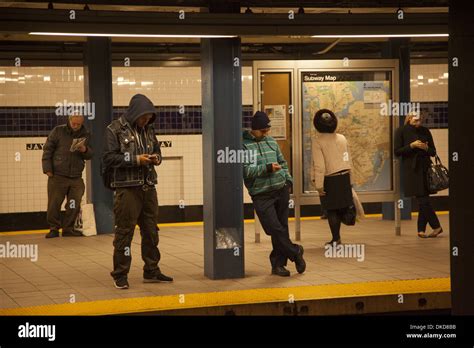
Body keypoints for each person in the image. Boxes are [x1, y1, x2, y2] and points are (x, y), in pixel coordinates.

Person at [103, 94, 173, 289]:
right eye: (144, 117)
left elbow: (158, 151)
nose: (147, 120)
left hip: (149, 187)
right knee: (125, 233)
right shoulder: (114, 130)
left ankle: (152, 270)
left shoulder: (149, 129)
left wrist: (156, 158)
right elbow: (109, 158)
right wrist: (136, 160)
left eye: (150, 117)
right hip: (127, 190)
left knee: (151, 231)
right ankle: (120, 274)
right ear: (135, 113)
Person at [243, 111, 306, 277]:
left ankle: (278, 265)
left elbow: (283, 162)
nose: (266, 134)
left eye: (267, 130)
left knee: (282, 228)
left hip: (280, 189)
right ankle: (295, 251)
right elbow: (246, 171)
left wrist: (288, 180)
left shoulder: (271, 142)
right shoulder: (244, 146)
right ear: (253, 129)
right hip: (261, 193)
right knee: (274, 228)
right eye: (262, 131)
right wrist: (267, 168)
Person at [42, 114, 93, 238]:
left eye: (78, 124)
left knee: (73, 203)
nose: (75, 126)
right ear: (69, 120)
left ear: (82, 123)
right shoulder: (58, 131)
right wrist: (47, 169)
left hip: (76, 177)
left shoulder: (86, 134)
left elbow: (91, 154)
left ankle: (68, 228)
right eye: (74, 123)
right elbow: (47, 150)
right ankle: (54, 228)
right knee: (54, 203)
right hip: (58, 175)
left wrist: (85, 150)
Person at [394, 112, 443, 238]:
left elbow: (433, 152)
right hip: (411, 170)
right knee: (423, 199)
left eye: (420, 120)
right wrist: (411, 146)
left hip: (425, 169)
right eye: (416, 120)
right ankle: (436, 226)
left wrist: (426, 148)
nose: (418, 123)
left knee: (423, 199)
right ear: (409, 119)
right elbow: (397, 151)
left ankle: (421, 230)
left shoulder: (425, 131)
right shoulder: (401, 131)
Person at [311, 109, 353, 245]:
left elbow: (319, 165)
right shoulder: (342, 138)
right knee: (343, 206)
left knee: (331, 210)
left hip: (330, 178)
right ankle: (341, 231)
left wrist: (319, 185)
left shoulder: (317, 141)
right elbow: (348, 158)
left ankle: (336, 238)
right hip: (344, 175)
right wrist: (350, 179)